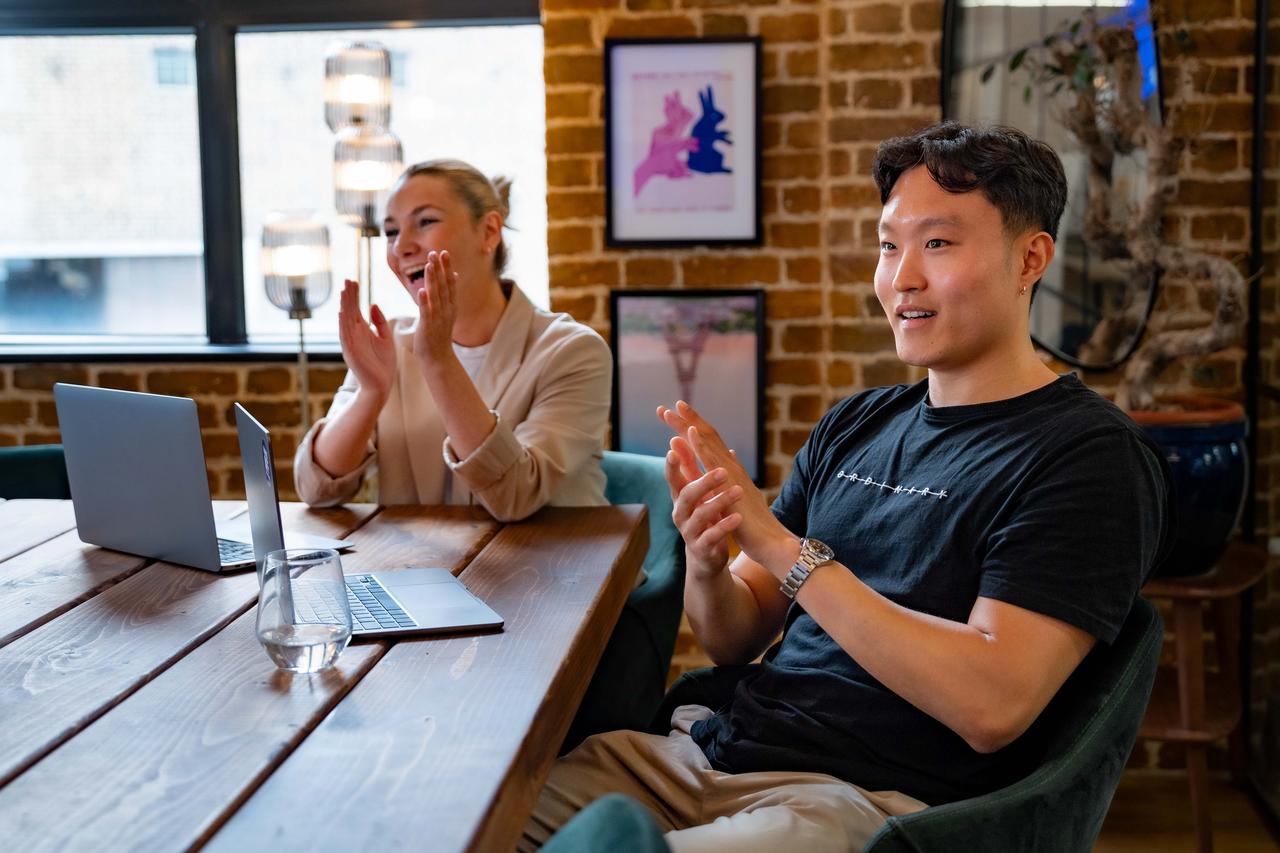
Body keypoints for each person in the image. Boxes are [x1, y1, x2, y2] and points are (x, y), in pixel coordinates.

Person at [521, 122, 1171, 852]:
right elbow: (734, 634)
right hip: (698, 753)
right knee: (471, 817)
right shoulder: (856, 425)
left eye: (938, 243)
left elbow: (993, 701)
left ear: (1031, 258)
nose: (902, 278)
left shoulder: (1089, 457)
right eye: (890, 245)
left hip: (855, 800)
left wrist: (779, 545)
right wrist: (711, 555)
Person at [294, 159, 611, 522]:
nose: (401, 247)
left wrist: (438, 360)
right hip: (424, 573)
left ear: (489, 231)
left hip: (554, 572)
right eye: (391, 232)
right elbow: (316, 489)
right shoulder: (389, 345)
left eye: (425, 221)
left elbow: (515, 495)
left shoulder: (573, 352)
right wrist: (370, 393)